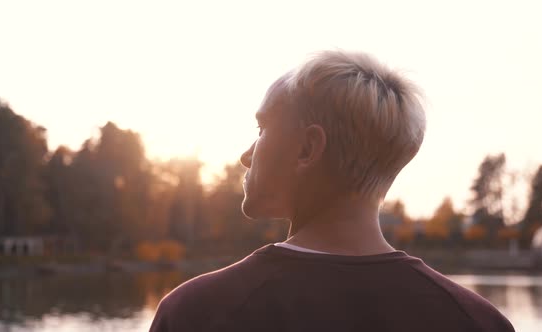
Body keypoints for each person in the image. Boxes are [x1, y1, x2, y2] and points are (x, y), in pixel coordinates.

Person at [149, 50, 514, 332]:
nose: (246, 155)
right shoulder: (478, 322)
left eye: (261, 129)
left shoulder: (197, 314)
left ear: (307, 149)